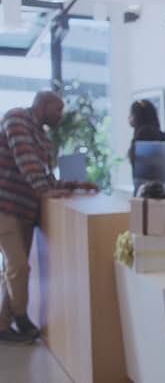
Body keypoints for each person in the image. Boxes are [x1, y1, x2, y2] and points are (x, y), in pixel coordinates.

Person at [0, 91, 98, 344]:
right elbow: (28, 163)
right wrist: (46, 189)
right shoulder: (16, 119)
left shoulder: (43, 138)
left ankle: (3, 325)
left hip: (25, 210)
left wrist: (75, 185)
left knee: (14, 270)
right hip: (6, 207)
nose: (61, 115)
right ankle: (20, 317)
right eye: (58, 109)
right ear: (42, 106)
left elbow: (47, 178)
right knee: (18, 267)